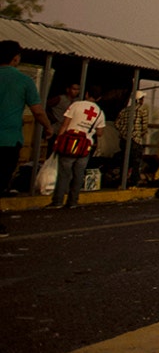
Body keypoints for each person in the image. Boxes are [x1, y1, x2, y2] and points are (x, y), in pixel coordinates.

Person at [0, 41, 55, 235]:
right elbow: (38, 112)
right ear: (15, 58)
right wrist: (48, 128)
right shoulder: (24, 81)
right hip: (8, 140)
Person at [49, 86, 106, 210]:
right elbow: (100, 133)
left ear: (86, 94)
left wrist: (58, 140)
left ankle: (58, 201)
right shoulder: (100, 113)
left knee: (64, 173)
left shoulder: (76, 105)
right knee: (78, 174)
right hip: (85, 146)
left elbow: (65, 124)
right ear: (99, 98)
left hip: (69, 144)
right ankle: (73, 201)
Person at [115, 91, 151, 185]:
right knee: (136, 162)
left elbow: (117, 123)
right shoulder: (142, 110)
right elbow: (144, 126)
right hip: (136, 139)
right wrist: (139, 133)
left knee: (124, 160)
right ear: (140, 99)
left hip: (124, 139)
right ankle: (134, 181)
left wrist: (123, 131)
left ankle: (122, 180)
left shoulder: (124, 110)